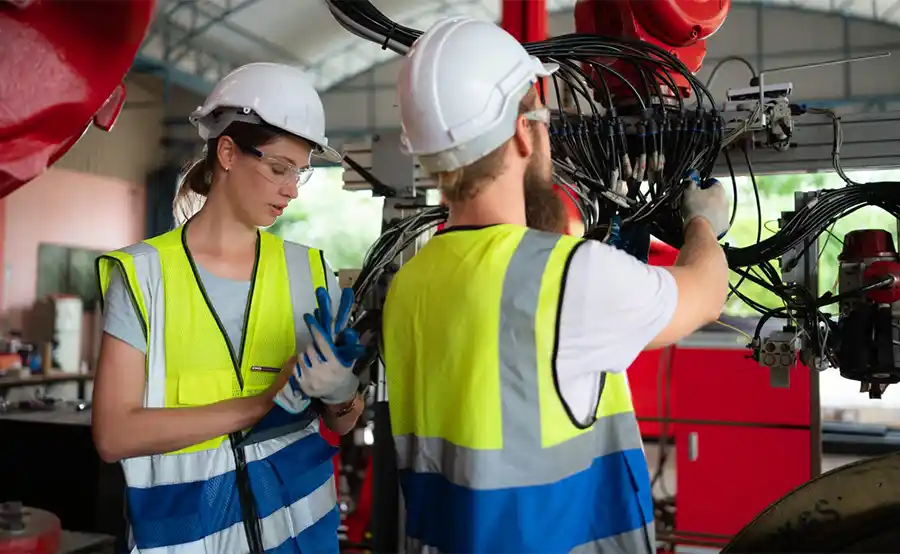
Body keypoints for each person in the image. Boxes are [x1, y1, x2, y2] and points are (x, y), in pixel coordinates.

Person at [381, 17, 730, 554]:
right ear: (524, 132)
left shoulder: (409, 285)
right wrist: (703, 221)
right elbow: (707, 294)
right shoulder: (570, 277)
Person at [91, 62, 366, 554]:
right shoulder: (143, 276)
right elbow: (113, 433)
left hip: (302, 540)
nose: (289, 188)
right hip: (184, 540)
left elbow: (343, 422)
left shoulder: (311, 273)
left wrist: (343, 394)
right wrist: (259, 406)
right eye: (279, 168)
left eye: (299, 174)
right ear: (227, 152)